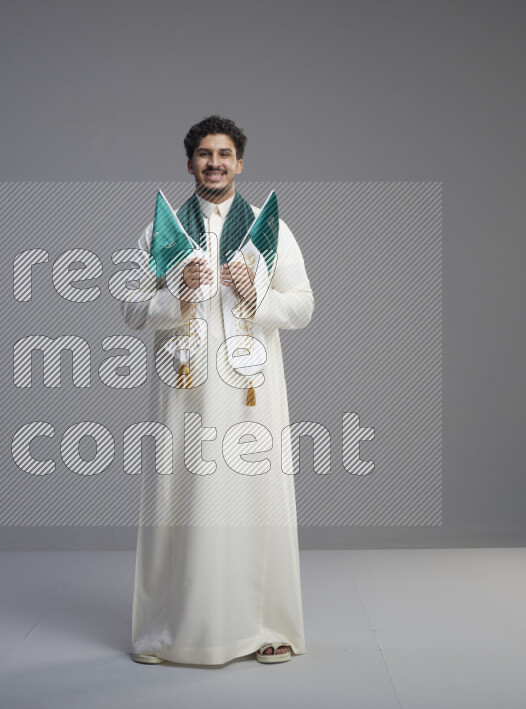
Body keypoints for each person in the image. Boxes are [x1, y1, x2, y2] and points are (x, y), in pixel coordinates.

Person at [121, 115, 314, 666]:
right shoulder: (163, 231)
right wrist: (177, 296)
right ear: (189, 164)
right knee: (180, 501)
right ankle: (168, 629)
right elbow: (131, 308)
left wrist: (257, 295)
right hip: (186, 391)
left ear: (240, 163)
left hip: (251, 390)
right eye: (204, 154)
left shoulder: (266, 228)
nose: (214, 163)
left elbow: (303, 304)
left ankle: (267, 626)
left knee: (256, 498)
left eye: (224, 154)